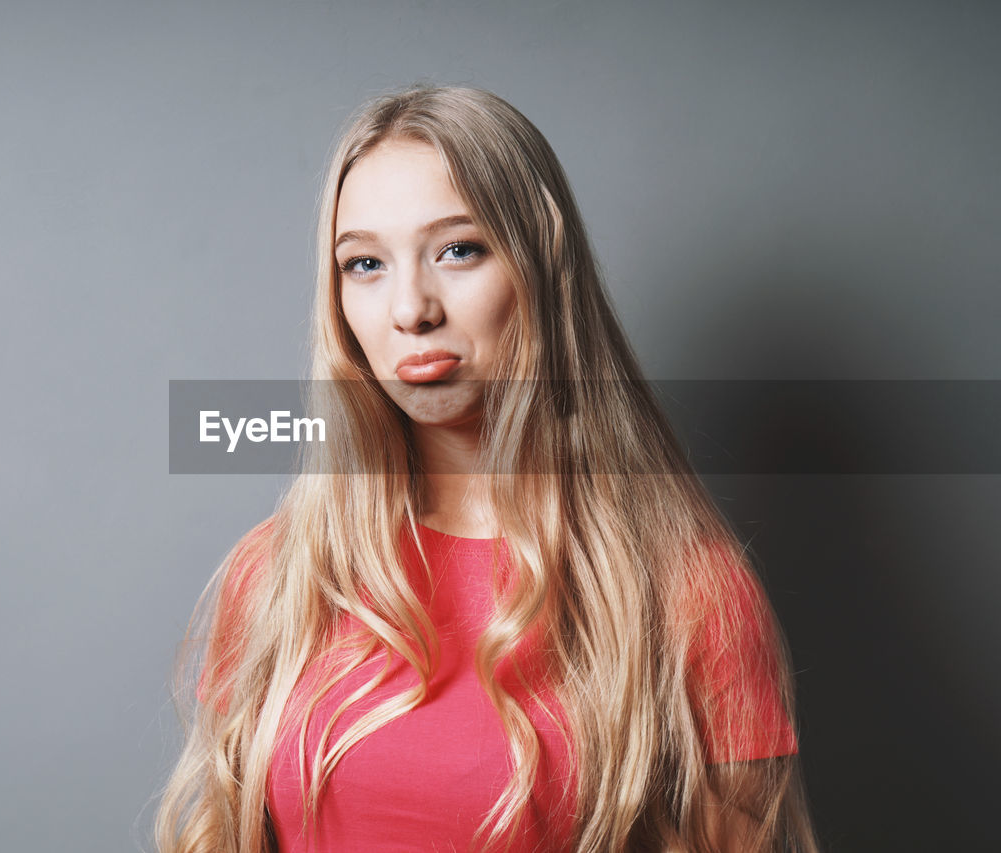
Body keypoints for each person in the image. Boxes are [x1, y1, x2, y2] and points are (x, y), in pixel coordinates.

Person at [154, 85, 819, 852]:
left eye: (458, 249)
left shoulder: (686, 591)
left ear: (540, 266)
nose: (411, 307)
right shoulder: (277, 577)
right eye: (364, 263)